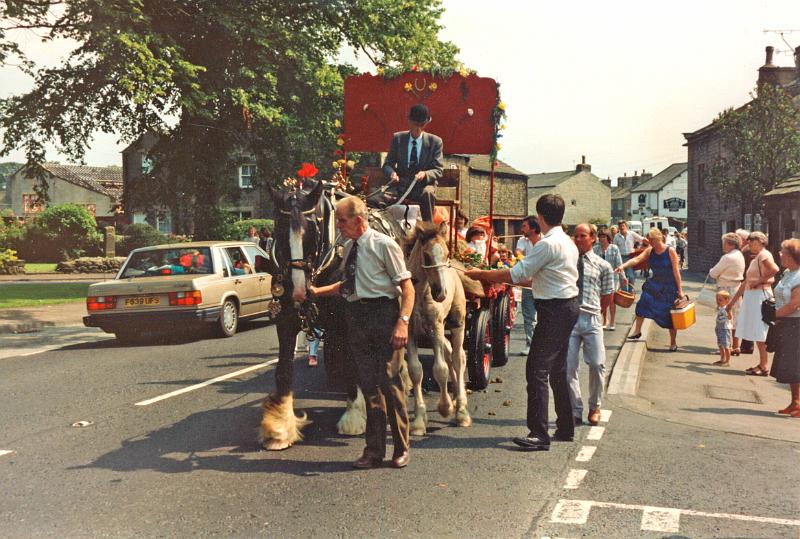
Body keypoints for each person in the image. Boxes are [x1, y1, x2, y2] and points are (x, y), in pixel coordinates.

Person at [465, 194, 579, 451]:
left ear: (540, 217)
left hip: (554, 310)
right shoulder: (567, 242)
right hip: (567, 306)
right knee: (557, 369)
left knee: (536, 369)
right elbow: (541, 277)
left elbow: (516, 274)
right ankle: (565, 426)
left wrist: (480, 273)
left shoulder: (546, 245)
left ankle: (539, 434)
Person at [309, 196, 415, 469]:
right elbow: (348, 284)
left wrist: (402, 322)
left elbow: (407, 287)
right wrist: (318, 291)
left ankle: (401, 448)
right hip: (357, 319)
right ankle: (373, 451)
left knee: (391, 385)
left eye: (342, 221)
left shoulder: (384, 245)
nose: (339, 226)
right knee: (368, 387)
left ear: (358, 219)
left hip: (384, 316)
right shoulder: (349, 247)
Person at [567, 224, 615, 427]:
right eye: (576, 236)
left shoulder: (603, 265)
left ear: (593, 238)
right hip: (569, 320)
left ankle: (595, 406)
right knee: (568, 367)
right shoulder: (566, 262)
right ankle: (574, 410)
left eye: (583, 236)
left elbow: (607, 295)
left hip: (592, 318)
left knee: (597, 364)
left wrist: (598, 314)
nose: (578, 239)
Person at [615, 227, 684, 351]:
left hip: (669, 286)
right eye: (649, 240)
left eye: (652, 240)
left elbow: (676, 271)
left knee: (670, 316)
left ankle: (673, 342)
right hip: (655, 284)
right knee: (642, 304)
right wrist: (622, 266)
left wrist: (680, 290)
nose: (650, 242)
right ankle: (637, 331)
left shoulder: (670, 251)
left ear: (658, 238)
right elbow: (636, 259)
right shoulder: (649, 251)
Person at [728, 231, 779, 376]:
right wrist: (732, 303)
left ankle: (764, 366)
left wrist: (760, 281)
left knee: (759, 332)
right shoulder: (758, 256)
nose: (749, 244)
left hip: (759, 297)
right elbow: (745, 283)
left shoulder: (763, 254)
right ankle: (762, 364)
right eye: (749, 241)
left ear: (761, 242)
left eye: (753, 241)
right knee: (757, 333)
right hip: (753, 297)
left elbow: (774, 269)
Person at [382, 103, 443, 222]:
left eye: (422, 125)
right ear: (409, 121)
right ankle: (386, 229)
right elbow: (387, 164)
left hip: (423, 187)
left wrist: (425, 174)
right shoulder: (398, 138)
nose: (418, 128)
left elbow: (438, 170)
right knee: (379, 198)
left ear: (426, 124)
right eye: (415, 124)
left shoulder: (435, 142)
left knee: (428, 193)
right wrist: (392, 173)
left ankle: (427, 230)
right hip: (402, 185)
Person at [771, 239, 800, 417]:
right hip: (787, 323)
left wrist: (773, 315)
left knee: (796, 364)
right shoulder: (788, 273)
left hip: (797, 324)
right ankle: (795, 402)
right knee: (790, 364)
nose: (780, 254)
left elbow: (795, 304)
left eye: (783, 252)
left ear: (792, 255)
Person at [708, 233, 745, 354]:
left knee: (724, 319)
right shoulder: (739, 255)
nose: (723, 245)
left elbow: (713, 273)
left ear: (731, 244)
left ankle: (726, 347)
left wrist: (712, 271)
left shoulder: (727, 257)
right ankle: (735, 346)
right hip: (736, 288)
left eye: (724, 243)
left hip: (725, 289)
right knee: (735, 318)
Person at [515, 216, 542, 354]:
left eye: (524, 226)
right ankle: (530, 344)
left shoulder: (545, 241)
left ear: (532, 228)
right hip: (527, 284)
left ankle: (541, 346)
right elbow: (518, 252)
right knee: (528, 316)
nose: (522, 229)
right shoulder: (522, 240)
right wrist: (525, 260)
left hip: (543, 285)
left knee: (543, 317)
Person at [593, 228, 623, 330]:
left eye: (604, 237)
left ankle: (613, 321)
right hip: (599, 278)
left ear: (608, 238)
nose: (602, 239)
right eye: (600, 237)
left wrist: (623, 277)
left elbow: (619, 264)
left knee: (611, 300)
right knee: (603, 299)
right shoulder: (595, 249)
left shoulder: (614, 248)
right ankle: (605, 320)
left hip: (613, 278)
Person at [613, 220, 644, 292]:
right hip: (621, 258)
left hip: (630, 257)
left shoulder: (632, 234)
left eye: (623, 226)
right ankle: (625, 292)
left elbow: (641, 239)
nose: (622, 227)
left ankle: (630, 291)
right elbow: (614, 248)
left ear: (626, 226)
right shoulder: (616, 237)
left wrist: (650, 242)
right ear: (618, 227)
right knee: (623, 276)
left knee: (631, 276)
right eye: (620, 226)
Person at [713, 290, 733, 366]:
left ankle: (727, 361)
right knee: (720, 345)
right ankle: (722, 359)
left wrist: (728, 312)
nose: (718, 301)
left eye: (720, 300)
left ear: (727, 300)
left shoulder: (726, 308)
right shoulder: (719, 308)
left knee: (726, 345)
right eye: (717, 299)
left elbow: (730, 317)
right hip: (719, 328)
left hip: (725, 329)